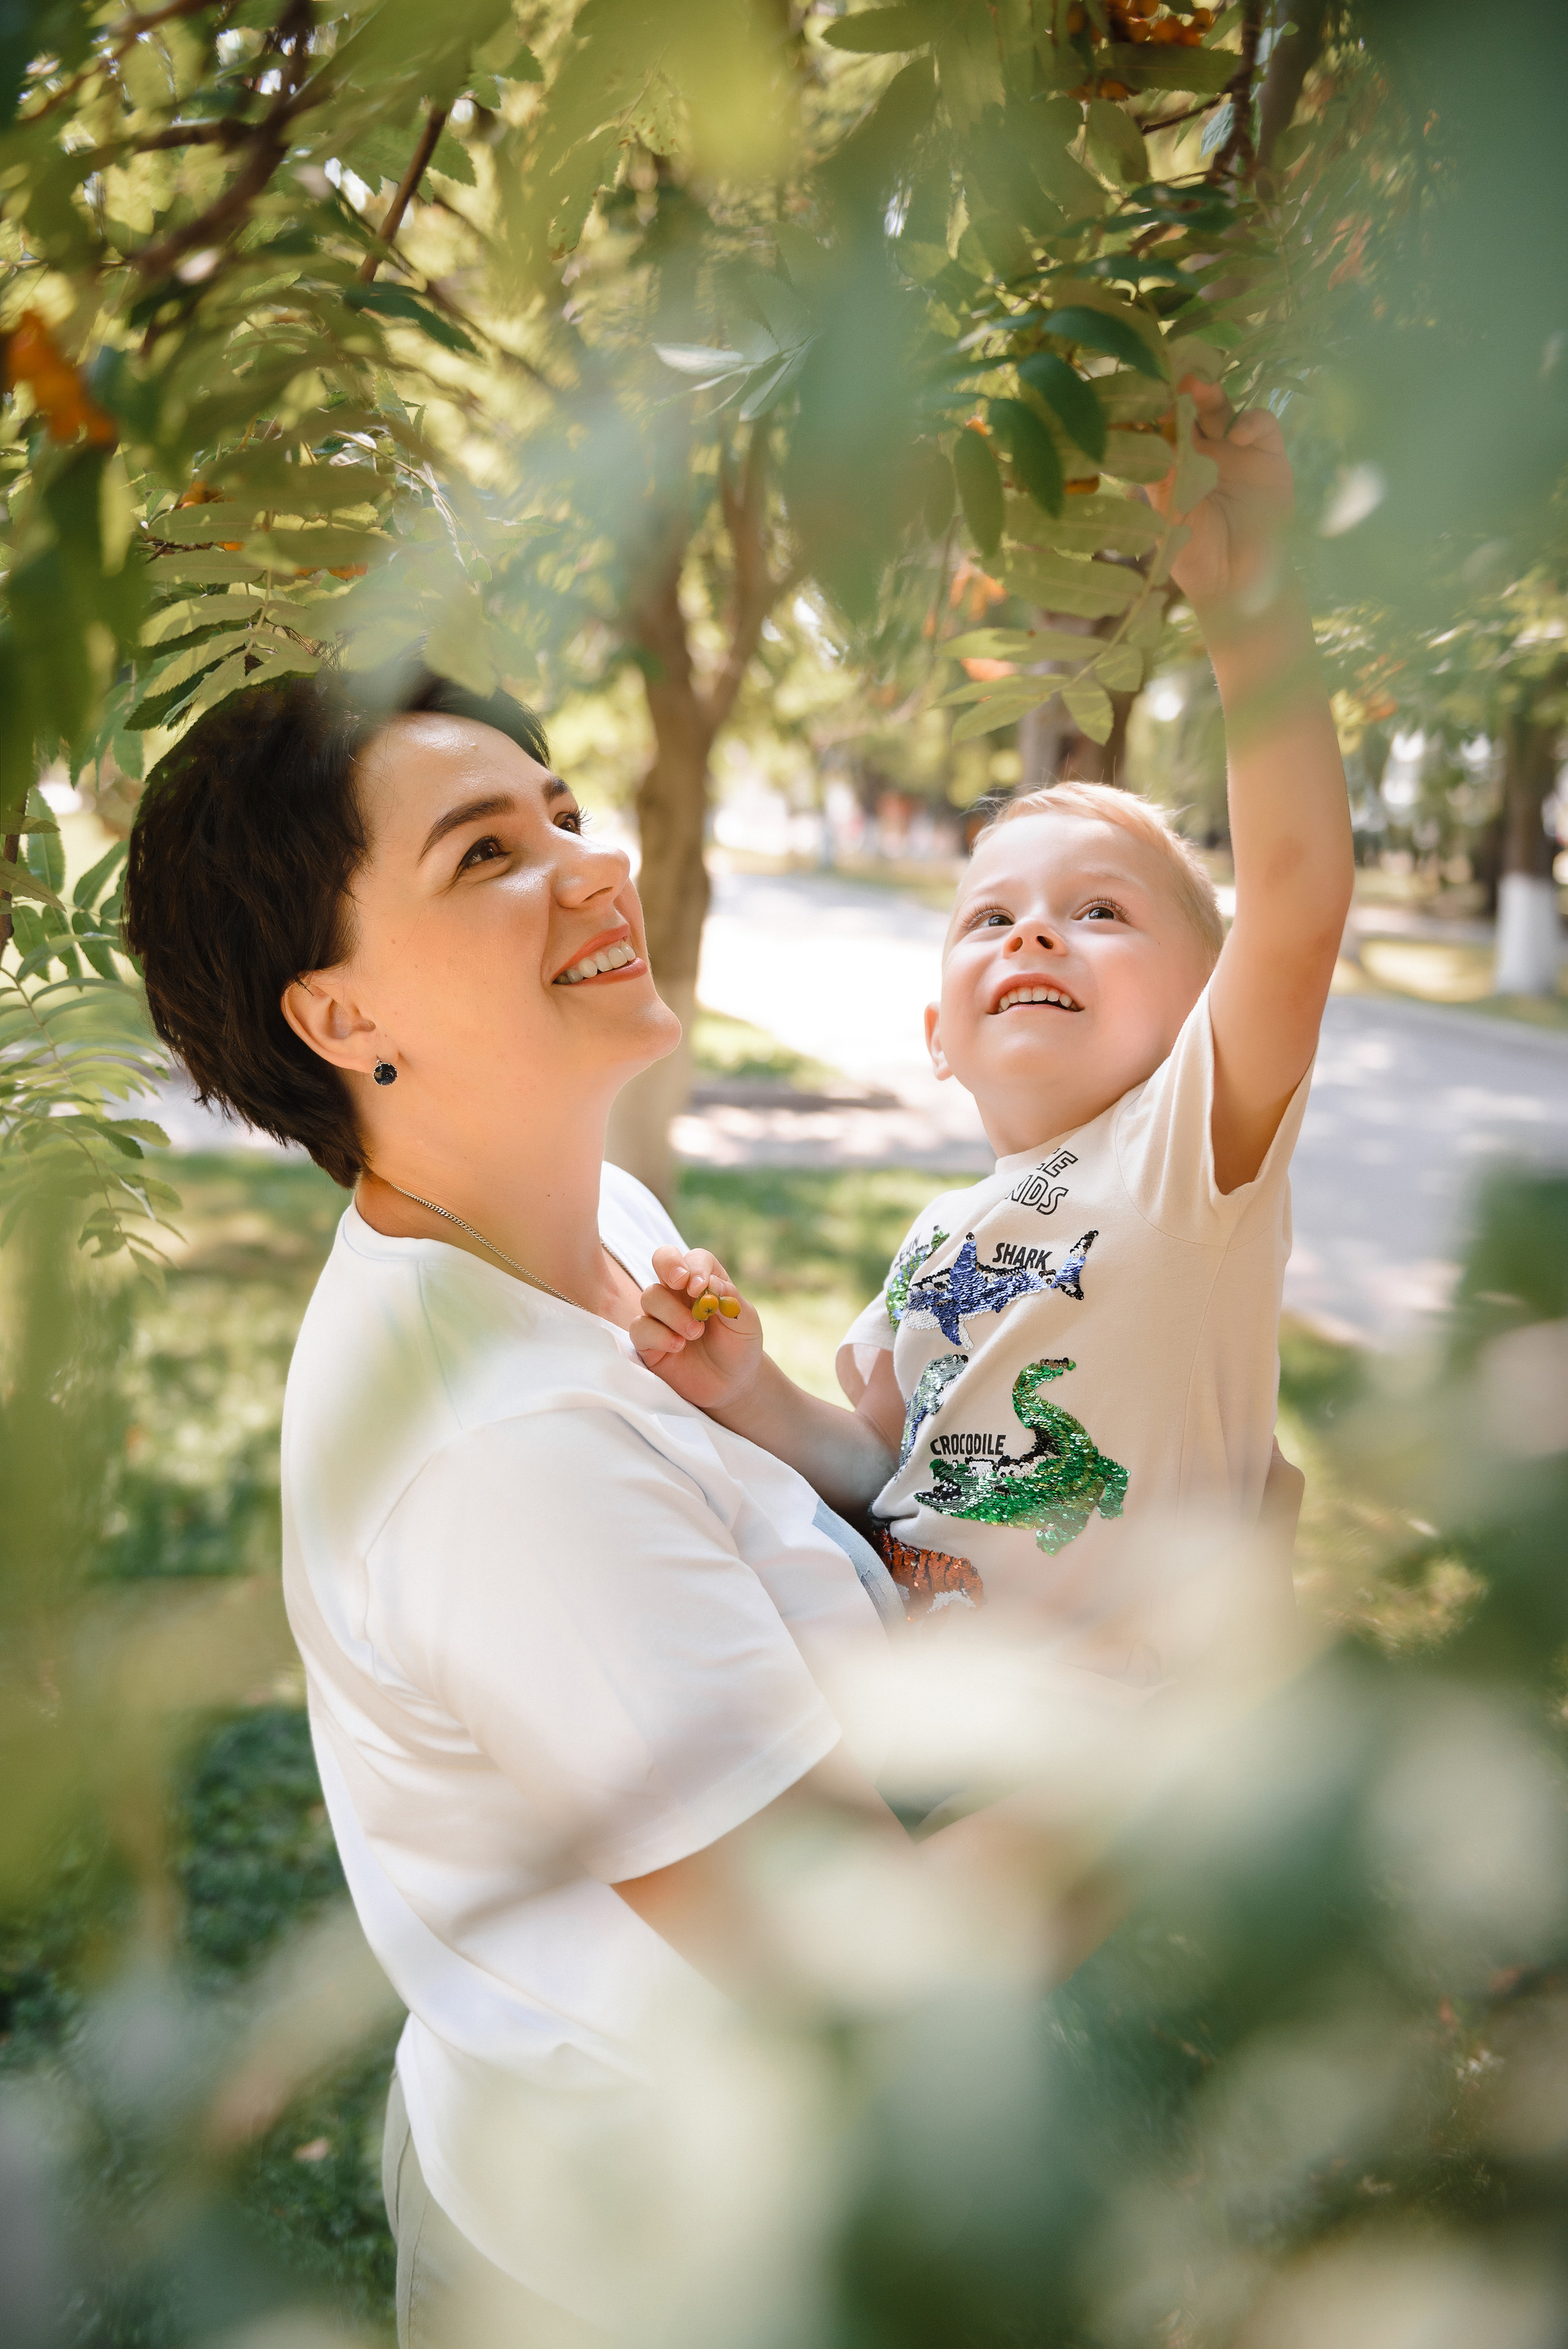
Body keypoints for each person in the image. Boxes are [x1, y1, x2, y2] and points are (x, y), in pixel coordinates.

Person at [124, 669, 947, 2347]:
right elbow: (871, 1965)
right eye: (486, 850)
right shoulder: (500, 1459)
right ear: (341, 1017)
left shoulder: (601, 1220)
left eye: (565, 810)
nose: (595, 863)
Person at [634, 377, 1341, 1676]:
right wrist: (747, 1387)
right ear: (936, 1035)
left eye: (1099, 912)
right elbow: (882, 1470)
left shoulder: (1184, 1155)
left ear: (1205, 1008)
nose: (1030, 934)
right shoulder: (934, 1240)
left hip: (1115, 1775)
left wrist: (1245, 608)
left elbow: (1295, 900)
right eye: (988, 918)